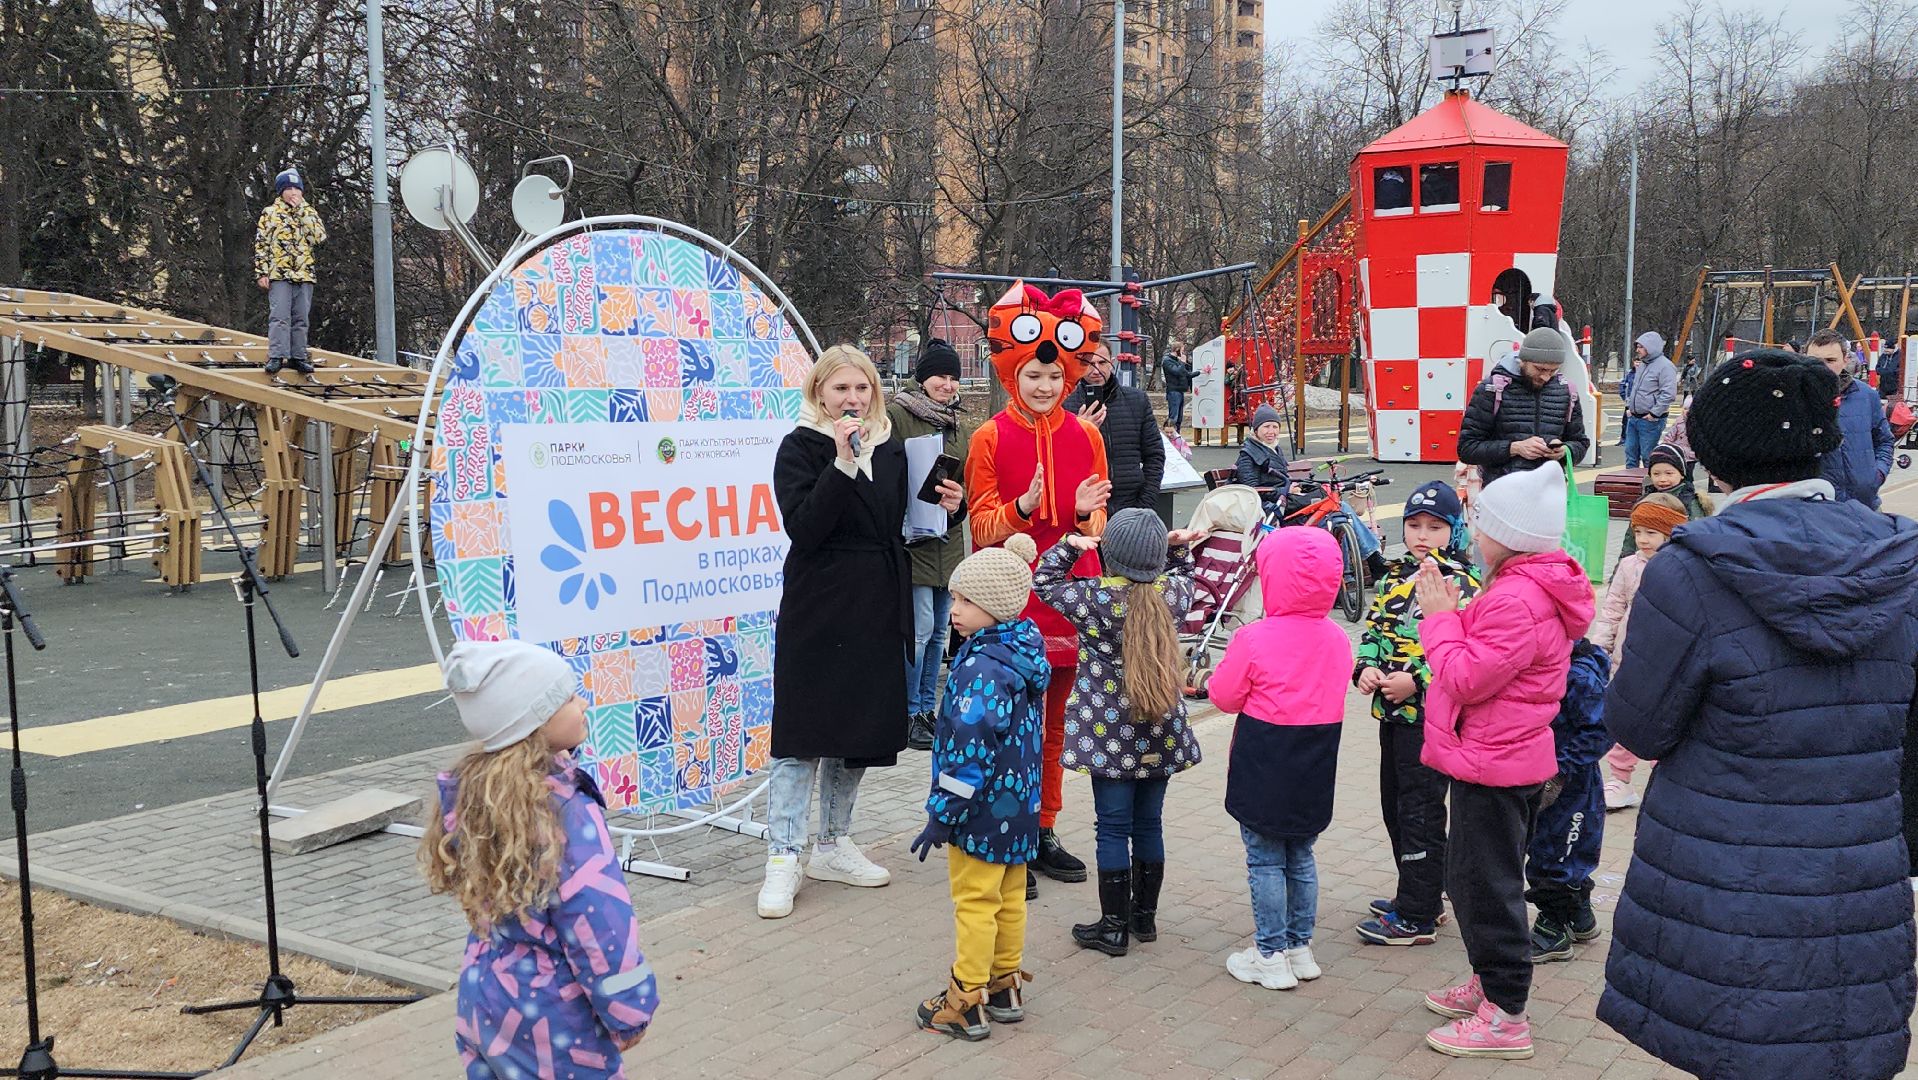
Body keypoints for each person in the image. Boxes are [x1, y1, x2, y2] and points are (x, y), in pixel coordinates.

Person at [1599, 348, 1918, 1080]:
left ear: (1717, 458)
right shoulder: (1899, 560)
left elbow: (1640, 726)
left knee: (1735, 1044)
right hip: (1856, 878)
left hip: (1724, 879)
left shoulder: (1691, 568)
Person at [1413, 462, 1593, 1061]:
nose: (1471, 530)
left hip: (1496, 762)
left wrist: (1439, 617)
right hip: (1497, 756)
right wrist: (1462, 613)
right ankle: (1489, 983)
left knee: (1485, 886)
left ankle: (1506, 1013)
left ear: (1507, 533)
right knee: (1475, 878)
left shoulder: (1517, 596)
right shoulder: (1520, 585)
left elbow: (1464, 676)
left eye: (1479, 521)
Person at [761, 346, 946, 919]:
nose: (853, 400)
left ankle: (834, 842)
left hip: (876, 598)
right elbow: (807, 526)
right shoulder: (800, 447)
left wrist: (951, 509)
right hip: (819, 601)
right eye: (841, 389)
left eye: (862, 389)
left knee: (858, 729)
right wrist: (842, 463)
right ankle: (783, 855)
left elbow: (905, 524)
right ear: (820, 393)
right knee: (803, 732)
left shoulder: (891, 447)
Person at [423, 640, 659, 1076]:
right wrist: (630, 1008)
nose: (582, 702)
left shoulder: (478, 794)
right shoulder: (566, 813)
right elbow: (599, 923)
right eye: (568, 697)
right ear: (534, 723)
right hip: (556, 1018)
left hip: (486, 1000)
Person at [965, 282, 1112, 895]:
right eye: (1034, 375)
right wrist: (1022, 507)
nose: (1046, 386)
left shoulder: (1088, 436)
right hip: (1010, 599)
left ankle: (1043, 828)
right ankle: (1006, 834)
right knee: (1007, 725)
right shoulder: (988, 438)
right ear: (1012, 373)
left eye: (1055, 377)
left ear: (1070, 374)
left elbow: (1098, 523)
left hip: (1069, 597)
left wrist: (1083, 518)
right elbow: (979, 526)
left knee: (1054, 726)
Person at [1033, 508, 1199, 958]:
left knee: (1111, 828)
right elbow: (1187, 572)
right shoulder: (1173, 594)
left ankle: (1112, 926)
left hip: (1107, 738)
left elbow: (1044, 582)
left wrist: (1069, 545)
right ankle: (1144, 918)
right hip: (1161, 730)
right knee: (1149, 823)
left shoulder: (1095, 598)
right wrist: (1176, 546)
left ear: (1112, 555)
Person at [908, 536, 1048, 1042]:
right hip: (1019, 806)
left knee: (974, 901)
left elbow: (968, 749)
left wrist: (943, 813)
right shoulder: (1022, 654)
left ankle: (964, 999)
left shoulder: (980, 668)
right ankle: (1004, 984)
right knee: (1010, 896)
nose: (954, 610)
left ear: (996, 607)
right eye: (954, 598)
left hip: (979, 811)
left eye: (966, 601)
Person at [1209, 526, 1353, 989]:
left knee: (1265, 858)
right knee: (1301, 854)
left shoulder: (1254, 638)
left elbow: (1226, 697)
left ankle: (1268, 953)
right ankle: (1298, 946)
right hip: (1316, 758)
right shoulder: (1337, 639)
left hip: (1265, 756)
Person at [1352, 481, 1481, 947]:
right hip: (1391, 714)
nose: (1422, 535)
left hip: (1430, 716)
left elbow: (1462, 646)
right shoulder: (1391, 576)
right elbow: (1373, 629)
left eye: (1434, 526)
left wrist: (1417, 679)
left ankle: (1417, 914)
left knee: (1420, 811)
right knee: (1395, 806)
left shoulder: (1461, 582)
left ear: (1453, 531)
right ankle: (1421, 892)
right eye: (1413, 525)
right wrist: (1365, 667)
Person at [888, 339, 971, 752]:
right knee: (919, 633)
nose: (948, 384)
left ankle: (925, 709)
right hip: (914, 541)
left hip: (949, 541)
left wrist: (959, 503)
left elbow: (968, 484)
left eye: (954, 377)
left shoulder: (957, 423)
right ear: (923, 378)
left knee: (940, 633)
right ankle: (906, 712)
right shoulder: (898, 415)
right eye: (941, 375)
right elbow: (885, 472)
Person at [1594, 493, 1685, 811]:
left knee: (1669, 720)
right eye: (1638, 532)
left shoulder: (1684, 567)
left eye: (1652, 533)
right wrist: (1600, 648)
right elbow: (1613, 608)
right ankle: (1620, 779)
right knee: (1628, 719)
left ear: (1671, 533)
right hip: (1629, 657)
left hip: (1670, 661)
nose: (1643, 540)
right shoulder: (1628, 566)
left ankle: (1667, 782)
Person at [1525, 638, 1612, 962]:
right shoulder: (1550, 665)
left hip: (1570, 779)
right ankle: (1580, 915)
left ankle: (1553, 927)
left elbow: (1600, 729)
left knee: (1559, 850)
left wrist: (1562, 769)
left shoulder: (1579, 675)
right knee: (1549, 840)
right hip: (1545, 768)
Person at [1457, 327, 1590, 488]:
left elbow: (1580, 443)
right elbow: (1467, 448)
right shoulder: (1492, 389)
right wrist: (1515, 448)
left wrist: (1565, 451)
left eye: (1553, 371)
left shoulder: (1566, 391)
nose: (1546, 377)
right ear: (1523, 360)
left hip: (1549, 494)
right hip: (1503, 493)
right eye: (1539, 369)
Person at [1066, 344, 1163, 513]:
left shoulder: (1136, 400)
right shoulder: (1066, 405)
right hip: (1087, 508)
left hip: (1133, 504)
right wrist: (1079, 431)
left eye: (1102, 363)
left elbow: (1154, 455)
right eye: (1089, 363)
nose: (1096, 370)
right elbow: (1059, 461)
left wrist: (1145, 502)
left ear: (1111, 363)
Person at [1807, 329, 1896, 509]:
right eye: (1815, 361)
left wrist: (1877, 474)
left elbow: (1884, 440)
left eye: (1830, 360)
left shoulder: (1866, 395)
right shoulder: (1793, 399)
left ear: (1845, 360)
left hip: (1866, 505)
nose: (1823, 367)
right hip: (1816, 510)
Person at [253, 167, 326, 376]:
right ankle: (276, 356)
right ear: (281, 191)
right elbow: (262, 244)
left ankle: (298, 356)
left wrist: (302, 210)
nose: (293, 192)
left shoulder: (309, 212)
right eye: (289, 188)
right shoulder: (270, 213)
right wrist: (262, 272)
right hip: (279, 273)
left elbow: (319, 237)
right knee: (279, 316)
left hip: (304, 273)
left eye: (297, 188)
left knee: (301, 317)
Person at [1613, 443, 1711, 562]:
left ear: (1681, 474)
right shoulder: (1644, 501)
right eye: (1656, 474)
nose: (1662, 479)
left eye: (1669, 473)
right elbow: (1630, 540)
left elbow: (1697, 540)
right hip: (1643, 562)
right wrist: (1620, 569)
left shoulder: (1691, 502)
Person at [1622, 332, 1678, 469]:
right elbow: (1634, 387)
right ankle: (1632, 485)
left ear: (1651, 347)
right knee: (1630, 454)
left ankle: (1651, 486)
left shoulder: (1666, 366)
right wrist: (1629, 407)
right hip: (1635, 417)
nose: (1637, 350)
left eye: (1641, 347)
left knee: (1648, 456)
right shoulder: (1643, 365)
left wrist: (1654, 413)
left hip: (1650, 420)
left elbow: (1669, 393)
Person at [1160, 346, 1194, 429]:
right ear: (1177, 350)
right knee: (1173, 417)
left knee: (1179, 418)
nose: (1183, 353)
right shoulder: (1167, 361)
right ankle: (1170, 435)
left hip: (1180, 390)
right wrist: (1182, 362)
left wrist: (1200, 372)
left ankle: (1177, 436)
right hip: (1173, 391)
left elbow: (1186, 374)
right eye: (1182, 350)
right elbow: (1177, 372)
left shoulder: (1176, 361)